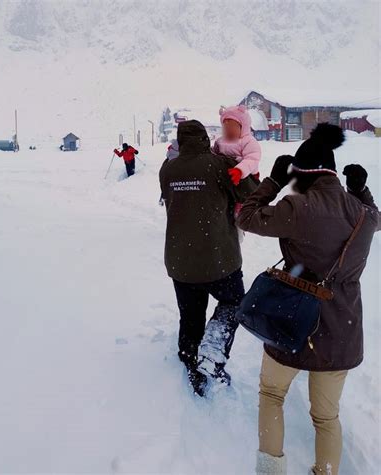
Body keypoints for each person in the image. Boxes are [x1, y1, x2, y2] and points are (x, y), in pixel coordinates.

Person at [236, 123, 379, 475]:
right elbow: (376, 217)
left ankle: (271, 471)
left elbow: (247, 216)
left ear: (301, 174)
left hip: (291, 320)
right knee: (327, 416)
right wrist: (360, 191)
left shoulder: (297, 207)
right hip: (341, 329)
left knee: (272, 396)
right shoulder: (362, 213)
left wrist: (272, 182)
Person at [159, 120, 257, 396]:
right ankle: (213, 349)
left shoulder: (168, 169)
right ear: (205, 138)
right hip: (219, 260)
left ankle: (192, 363)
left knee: (190, 316)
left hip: (181, 262)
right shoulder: (219, 165)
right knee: (235, 302)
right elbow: (250, 193)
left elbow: (170, 195)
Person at [213, 105, 262, 187]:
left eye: (233, 127)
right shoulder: (220, 141)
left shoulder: (248, 141)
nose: (229, 131)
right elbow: (213, 154)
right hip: (226, 176)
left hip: (247, 177)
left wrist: (240, 170)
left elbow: (252, 159)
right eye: (226, 128)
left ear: (243, 127)